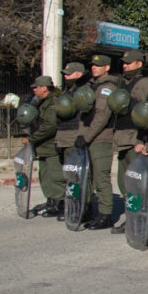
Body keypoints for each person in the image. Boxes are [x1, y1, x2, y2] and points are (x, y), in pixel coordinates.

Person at [111, 49, 148, 234]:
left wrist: (143, 140)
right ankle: (133, 217)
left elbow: (147, 112)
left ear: (138, 63)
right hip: (122, 138)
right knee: (124, 182)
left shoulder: (144, 83)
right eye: (123, 62)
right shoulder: (125, 83)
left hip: (134, 139)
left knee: (136, 183)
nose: (124, 65)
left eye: (128, 62)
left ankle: (142, 219)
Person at [77, 54, 119, 230]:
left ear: (107, 67)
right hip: (90, 136)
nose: (94, 67)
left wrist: (86, 137)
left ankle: (106, 214)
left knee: (101, 177)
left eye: (98, 65)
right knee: (90, 176)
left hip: (101, 138)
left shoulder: (107, 87)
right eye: (92, 65)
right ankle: (91, 211)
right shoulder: (93, 86)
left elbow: (102, 116)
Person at [23, 75, 64, 217]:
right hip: (43, 146)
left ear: (44, 88)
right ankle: (51, 200)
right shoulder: (41, 102)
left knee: (55, 175)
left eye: (37, 87)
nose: (34, 89)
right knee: (45, 175)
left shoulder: (52, 103)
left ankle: (60, 202)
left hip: (51, 145)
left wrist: (32, 139)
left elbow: (50, 126)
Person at [54, 61, 91, 222]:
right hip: (64, 137)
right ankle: (73, 207)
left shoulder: (84, 91)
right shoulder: (69, 90)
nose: (66, 77)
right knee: (70, 177)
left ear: (78, 74)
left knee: (79, 176)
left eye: (68, 74)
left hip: (75, 137)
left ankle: (83, 208)